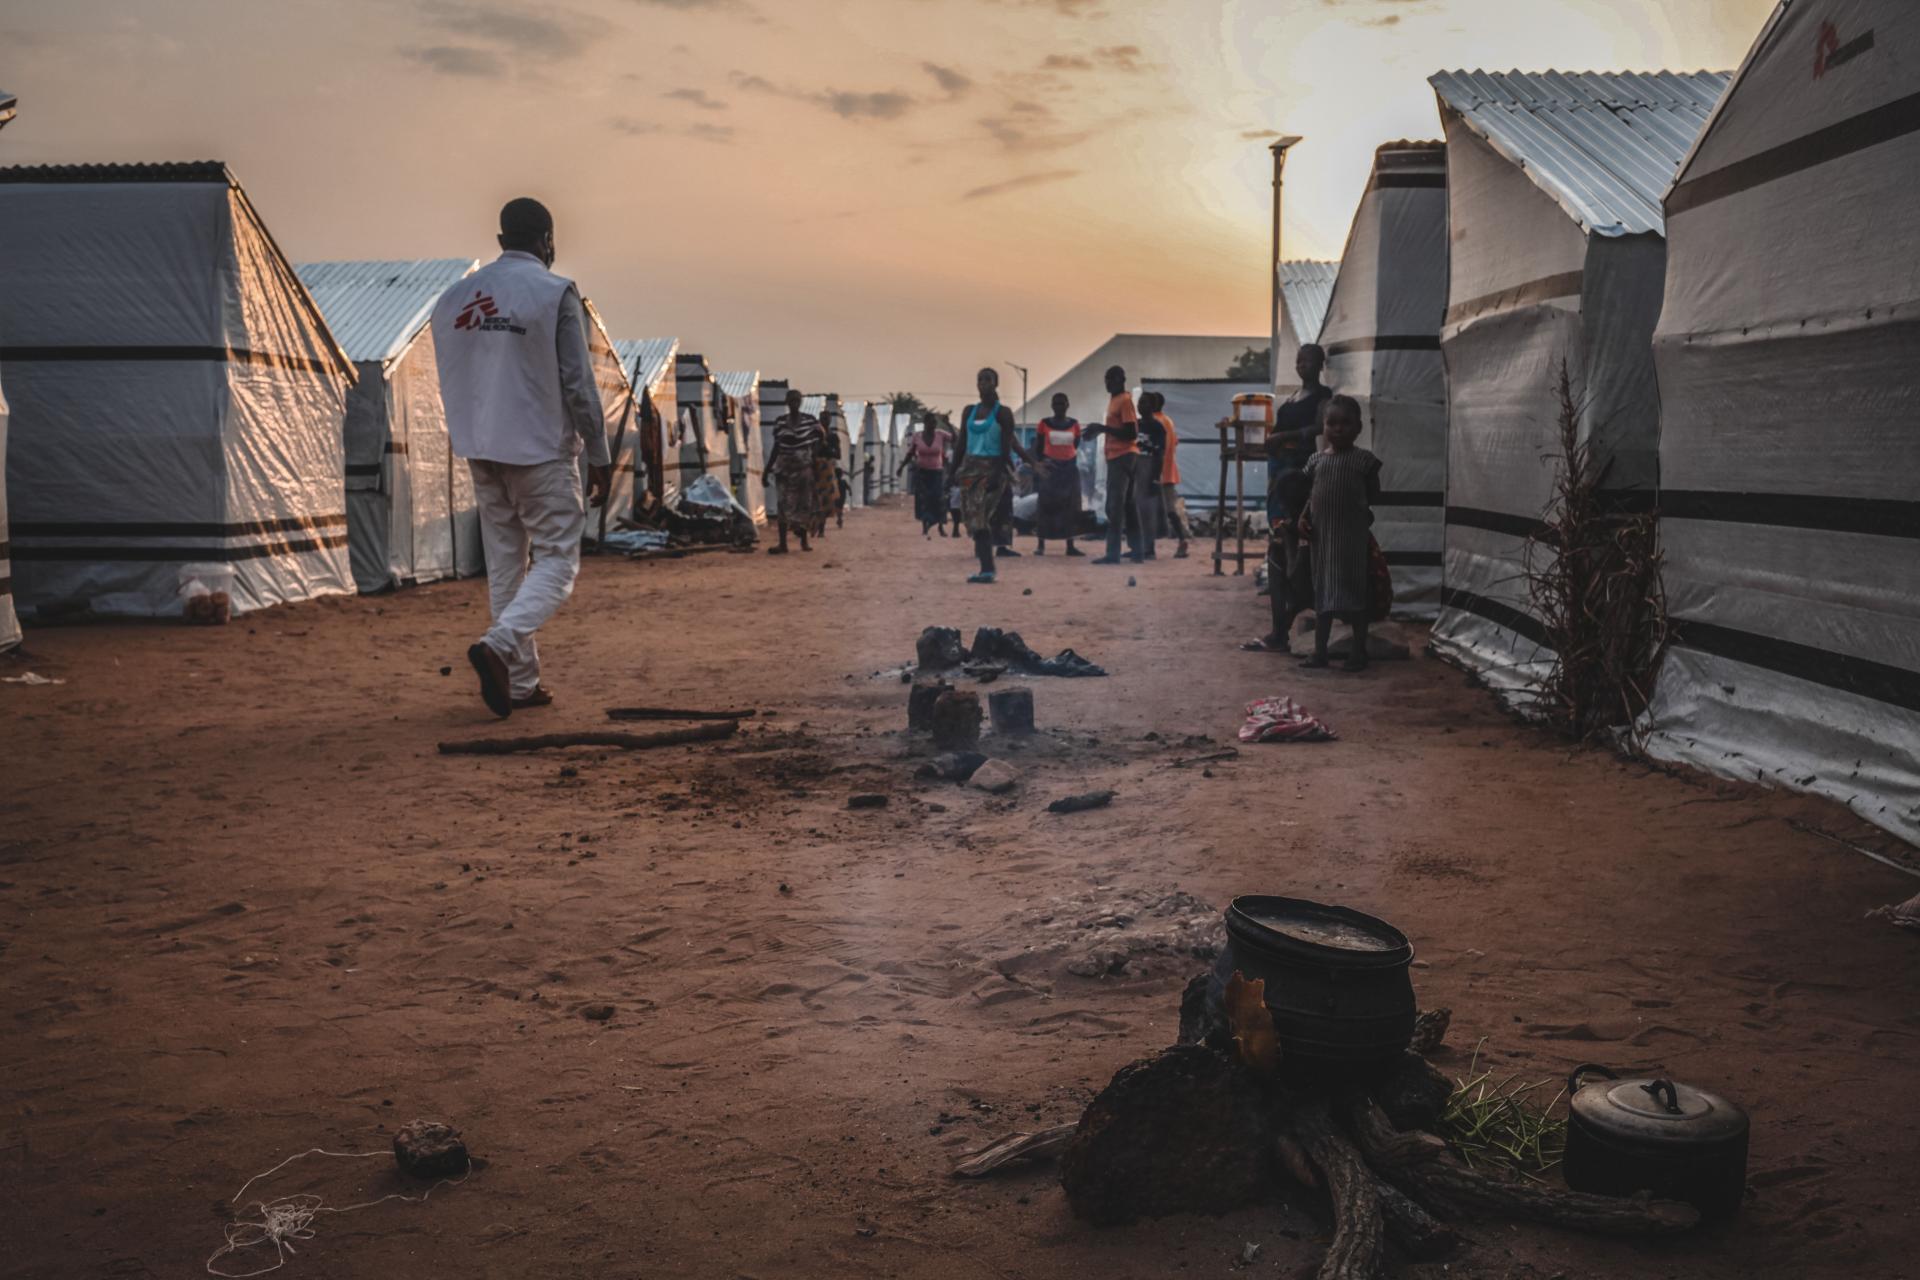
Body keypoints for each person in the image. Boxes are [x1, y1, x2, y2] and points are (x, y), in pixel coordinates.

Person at [431, 196, 611, 719]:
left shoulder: (453, 299)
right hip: (539, 451)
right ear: (547, 240)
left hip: (481, 449)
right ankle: (499, 646)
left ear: (500, 240)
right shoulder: (555, 293)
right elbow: (578, 384)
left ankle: (523, 684)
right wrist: (598, 453)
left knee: (507, 563)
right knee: (558, 559)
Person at [1300, 395, 1381, 672]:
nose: (1337, 429)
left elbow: (1374, 495)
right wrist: (1303, 517)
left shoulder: (1364, 461)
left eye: (1345, 423)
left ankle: (1358, 653)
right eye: (1331, 423)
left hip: (1351, 543)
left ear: (1359, 428)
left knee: (1356, 597)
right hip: (1322, 543)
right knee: (1322, 598)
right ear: (1323, 427)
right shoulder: (1315, 461)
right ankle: (1320, 652)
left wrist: (1362, 511)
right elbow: (1312, 497)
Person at [954, 367, 1047, 584]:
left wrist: (999, 473)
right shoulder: (969, 412)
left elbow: (1008, 446)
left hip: (992, 468)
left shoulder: (1003, 413)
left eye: (987, 379)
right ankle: (986, 562)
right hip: (970, 469)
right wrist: (951, 473)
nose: (983, 383)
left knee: (982, 518)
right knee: (973, 518)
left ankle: (987, 568)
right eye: (980, 379)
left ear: (995, 383)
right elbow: (961, 444)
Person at [1242, 469, 1312, 652]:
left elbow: (1294, 575)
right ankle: (1279, 632)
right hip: (1346, 591)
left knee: (1276, 556)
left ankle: (1279, 634)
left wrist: (1287, 541)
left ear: (1285, 504)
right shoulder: (1318, 517)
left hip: (1327, 594)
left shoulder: (1303, 528)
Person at [1266, 343, 1332, 530]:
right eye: (1298, 361)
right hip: (1279, 460)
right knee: (1276, 507)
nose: (1301, 365)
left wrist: (1283, 437)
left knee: (1292, 506)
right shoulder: (1295, 394)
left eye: (1307, 361)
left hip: (1298, 460)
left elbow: (1320, 426)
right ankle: (1278, 545)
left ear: (1320, 365)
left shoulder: (1322, 394)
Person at [1084, 365, 1144, 564]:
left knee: (1114, 506)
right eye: (1106, 379)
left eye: (1111, 379)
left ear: (1121, 379)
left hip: (1123, 456)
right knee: (1127, 504)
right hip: (1119, 456)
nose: (1107, 383)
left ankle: (1113, 552)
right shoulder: (1116, 401)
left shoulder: (1125, 401)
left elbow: (1131, 433)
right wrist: (1100, 430)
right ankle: (1137, 550)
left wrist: (1102, 428)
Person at [765, 388, 824, 554]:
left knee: (803, 504)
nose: (794, 404)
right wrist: (767, 469)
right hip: (784, 468)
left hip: (803, 469)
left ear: (800, 402)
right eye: (791, 401)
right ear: (787, 403)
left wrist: (812, 454)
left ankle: (804, 541)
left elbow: (821, 437)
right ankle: (783, 543)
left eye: (796, 401)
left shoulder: (809, 421)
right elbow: (776, 447)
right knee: (783, 504)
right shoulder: (780, 422)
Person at [1032, 392, 1084, 556]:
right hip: (1050, 470)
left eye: (1062, 403)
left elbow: (1075, 445)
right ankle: (1041, 544)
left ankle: (1070, 545)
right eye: (1056, 404)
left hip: (1069, 470)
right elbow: (1039, 448)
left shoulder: (1075, 424)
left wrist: (1066, 459)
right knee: (1045, 506)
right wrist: (1042, 464)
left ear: (1068, 405)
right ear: (1052, 406)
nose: (1059, 407)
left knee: (1070, 507)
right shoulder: (1044, 423)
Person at [1150, 393, 1193, 559]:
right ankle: (1180, 540)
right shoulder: (1168, 421)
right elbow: (1174, 442)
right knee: (1168, 510)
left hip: (1158, 472)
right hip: (1167, 471)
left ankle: (1180, 540)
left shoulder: (1155, 422)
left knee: (1163, 510)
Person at [896, 412, 953, 536]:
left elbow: (956, 438)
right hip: (922, 472)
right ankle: (925, 525)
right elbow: (910, 453)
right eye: (931, 422)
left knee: (938, 498)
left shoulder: (940, 434)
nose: (933, 425)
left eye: (935, 422)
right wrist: (901, 467)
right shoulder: (917, 436)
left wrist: (949, 424)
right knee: (923, 499)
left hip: (937, 472)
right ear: (925, 423)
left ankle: (940, 526)